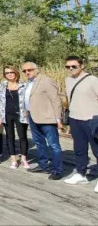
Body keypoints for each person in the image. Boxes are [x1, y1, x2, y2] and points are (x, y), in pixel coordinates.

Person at [23, 62, 64, 180]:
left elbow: (56, 101)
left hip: (47, 118)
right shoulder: (29, 83)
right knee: (39, 142)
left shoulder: (46, 81)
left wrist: (58, 119)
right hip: (33, 116)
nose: (27, 72)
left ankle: (57, 170)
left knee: (54, 145)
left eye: (29, 70)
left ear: (37, 69)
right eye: (24, 71)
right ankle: (43, 165)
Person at [63, 56, 98, 188]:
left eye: (74, 66)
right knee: (79, 148)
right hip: (75, 118)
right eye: (68, 67)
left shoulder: (92, 80)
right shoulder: (68, 80)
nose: (70, 69)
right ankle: (80, 173)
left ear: (82, 66)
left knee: (96, 149)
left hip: (92, 119)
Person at [0, 65, 29, 169]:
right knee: (10, 137)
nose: (9, 74)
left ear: (16, 72)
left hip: (21, 114)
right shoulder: (2, 86)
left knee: (22, 137)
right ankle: (14, 160)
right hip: (7, 114)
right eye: (6, 73)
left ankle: (24, 159)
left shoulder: (24, 85)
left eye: (11, 72)